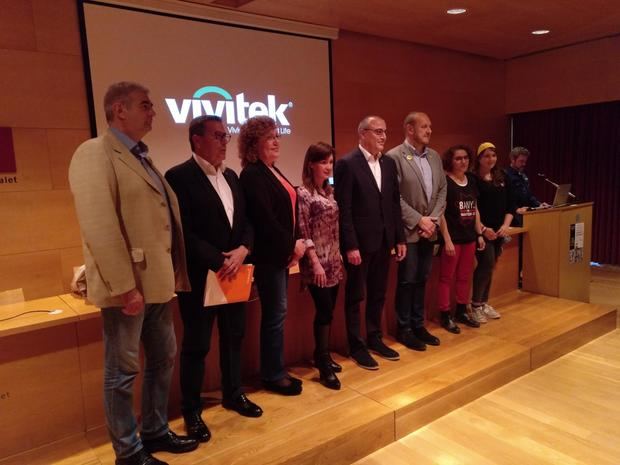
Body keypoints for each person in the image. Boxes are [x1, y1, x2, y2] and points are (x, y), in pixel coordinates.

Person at [68, 82, 198, 465]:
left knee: (163, 358)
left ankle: (155, 431)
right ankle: (127, 451)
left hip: (157, 283)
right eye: (146, 105)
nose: (154, 111)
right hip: (129, 288)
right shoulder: (94, 153)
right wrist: (125, 288)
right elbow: (99, 225)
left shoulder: (142, 156)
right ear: (119, 110)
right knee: (122, 371)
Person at [165, 116, 263, 442]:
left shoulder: (232, 175)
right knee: (197, 345)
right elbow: (185, 234)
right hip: (202, 276)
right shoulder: (178, 177)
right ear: (196, 139)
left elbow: (247, 221)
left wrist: (243, 250)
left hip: (235, 272)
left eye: (226, 135)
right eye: (219, 135)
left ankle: (233, 394)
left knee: (234, 337)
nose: (225, 141)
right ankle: (192, 410)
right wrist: (220, 259)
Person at [238, 116, 306, 395]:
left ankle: (275, 369)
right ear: (254, 144)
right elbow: (265, 220)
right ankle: (272, 374)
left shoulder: (272, 170)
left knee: (278, 314)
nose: (277, 141)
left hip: (282, 254)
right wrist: (293, 246)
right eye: (269, 137)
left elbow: (288, 212)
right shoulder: (252, 174)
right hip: (269, 257)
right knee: (275, 315)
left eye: (277, 135)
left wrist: (296, 242)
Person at [334, 115, 407, 370]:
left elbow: (394, 203)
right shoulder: (346, 164)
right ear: (362, 133)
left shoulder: (388, 164)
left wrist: (399, 238)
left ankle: (374, 337)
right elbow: (344, 209)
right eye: (377, 131)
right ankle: (356, 345)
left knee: (378, 293)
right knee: (356, 296)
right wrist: (350, 245)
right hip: (359, 245)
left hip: (384, 241)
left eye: (385, 132)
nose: (383, 136)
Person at [386, 112, 445, 351]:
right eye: (424, 126)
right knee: (407, 282)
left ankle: (419, 325)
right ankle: (405, 329)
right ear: (409, 129)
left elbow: (442, 190)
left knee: (422, 280)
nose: (429, 130)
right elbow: (394, 197)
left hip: (429, 231)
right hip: (410, 232)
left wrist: (432, 221)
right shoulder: (394, 157)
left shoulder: (435, 156)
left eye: (430, 126)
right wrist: (419, 220)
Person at [297, 142, 344, 390]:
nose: (328, 167)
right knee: (324, 311)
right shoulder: (303, 193)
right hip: (317, 264)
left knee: (329, 312)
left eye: (330, 162)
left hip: (334, 260)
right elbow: (304, 231)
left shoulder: (330, 191)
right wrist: (315, 264)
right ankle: (323, 364)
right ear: (311, 164)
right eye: (323, 162)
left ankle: (321, 354)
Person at [437, 145, 485, 334]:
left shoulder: (471, 180)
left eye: (465, 158)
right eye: (458, 158)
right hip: (453, 239)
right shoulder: (446, 182)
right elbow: (440, 214)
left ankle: (461, 311)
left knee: (465, 277)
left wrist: (479, 233)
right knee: (446, 278)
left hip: (469, 238)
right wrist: (447, 239)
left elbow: (475, 208)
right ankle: (445, 314)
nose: (463, 161)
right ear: (450, 161)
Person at [471, 143, 516, 322]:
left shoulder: (502, 175)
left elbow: (511, 204)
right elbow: (472, 207)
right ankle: (475, 305)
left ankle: (483, 303)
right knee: (486, 264)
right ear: (479, 158)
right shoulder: (473, 178)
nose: (491, 159)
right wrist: (482, 229)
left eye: (493, 155)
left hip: (499, 231)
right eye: (486, 156)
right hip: (482, 231)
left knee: (491, 266)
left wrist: (506, 226)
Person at [505, 146, 549, 226]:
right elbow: (505, 198)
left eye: (525, 161)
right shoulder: (505, 175)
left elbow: (529, 195)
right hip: (513, 216)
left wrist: (539, 204)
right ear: (512, 160)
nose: (524, 164)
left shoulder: (523, 176)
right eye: (521, 161)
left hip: (526, 214)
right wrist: (516, 209)